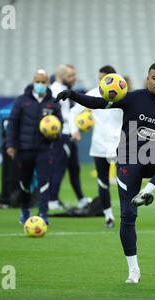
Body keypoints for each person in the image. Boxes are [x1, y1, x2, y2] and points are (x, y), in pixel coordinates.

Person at [56, 62, 155, 284]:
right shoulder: (133, 97)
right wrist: (74, 95)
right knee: (128, 217)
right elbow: (99, 102)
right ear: (147, 78)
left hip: (151, 159)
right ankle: (134, 271)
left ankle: (148, 191)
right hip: (127, 161)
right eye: (154, 78)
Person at [6, 70, 62, 225]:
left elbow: (59, 125)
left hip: (45, 149)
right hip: (25, 149)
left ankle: (43, 213)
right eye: (38, 81)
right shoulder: (22, 101)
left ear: (48, 83)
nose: (40, 85)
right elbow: (12, 124)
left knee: (45, 181)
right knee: (25, 181)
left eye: (43, 82)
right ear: (33, 81)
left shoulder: (53, 102)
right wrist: (11, 144)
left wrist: (54, 135)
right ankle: (25, 210)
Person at [69, 65, 122, 228]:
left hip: (121, 145)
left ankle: (127, 215)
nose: (100, 81)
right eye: (99, 78)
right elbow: (73, 112)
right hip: (99, 145)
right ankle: (109, 217)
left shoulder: (123, 95)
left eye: (103, 79)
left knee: (126, 182)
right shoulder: (93, 93)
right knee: (103, 182)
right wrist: (74, 130)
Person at [49, 64, 90, 211]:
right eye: (71, 76)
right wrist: (75, 124)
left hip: (68, 135)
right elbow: (59, 115)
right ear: (62, 76)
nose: (74, 78)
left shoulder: (61, 89)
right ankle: (52, 199)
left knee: (74, 168)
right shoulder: (55, 90)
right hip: (63, 135)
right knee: (59, 168)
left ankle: (81, 199)